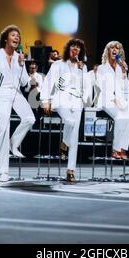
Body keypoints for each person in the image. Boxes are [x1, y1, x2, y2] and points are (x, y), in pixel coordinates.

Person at [0, 25, 35, 182]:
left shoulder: (19, 57)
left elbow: (24, 83)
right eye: (14, 35)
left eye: (18, 36)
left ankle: (13, 143)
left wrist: (23, 65)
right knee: (3, 128)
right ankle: (4, 172)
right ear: (5, 39)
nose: (17, 38)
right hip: (0, 94)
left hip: (16, 93)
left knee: (30, 119)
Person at [40, 38, 91, 182]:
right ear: (68, 48)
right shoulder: (58, 64)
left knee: (74, 137)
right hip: (61, 99)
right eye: (73, 46)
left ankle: (70, 170)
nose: (76, 49)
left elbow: (86, 86)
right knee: (69, 122)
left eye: (78, 47)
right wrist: (46, 100)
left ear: (81, 51)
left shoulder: (83, 67)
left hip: (77, 101)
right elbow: (48, 81)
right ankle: (64, 142)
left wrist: (85, 99)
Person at [96, 41, 129, 160]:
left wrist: (125, 75)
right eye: (112, 47)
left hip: (119, 100)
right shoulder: (102, 68)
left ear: (119, 52)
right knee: (120, 117)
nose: (115, 49)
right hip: (106, 100)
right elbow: (102, 86)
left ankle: (123, 148)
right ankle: (115, 149)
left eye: (117, 48)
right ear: (108, 51)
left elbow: (124, 87)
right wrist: (114, 100)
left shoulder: (120, 68)